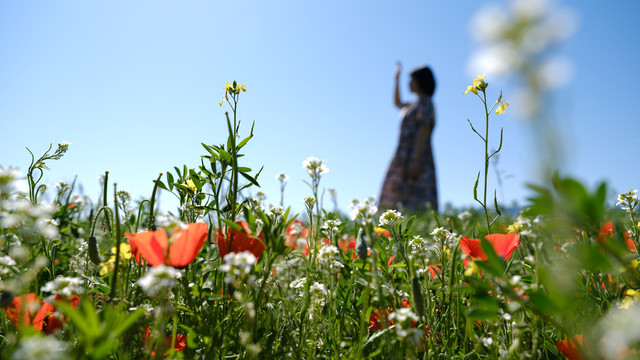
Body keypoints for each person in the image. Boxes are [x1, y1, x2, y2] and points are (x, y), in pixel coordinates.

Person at [379, 62, 438, 211]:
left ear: (420, 81)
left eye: (412, 79)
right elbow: (397, 103)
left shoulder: (425, 103)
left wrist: (415, 160)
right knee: (397, 194)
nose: (409, 83)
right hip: (404, 155)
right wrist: (396, 79)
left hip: (415, 155)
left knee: (415, 196)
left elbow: (423, 130)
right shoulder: (413, 105)